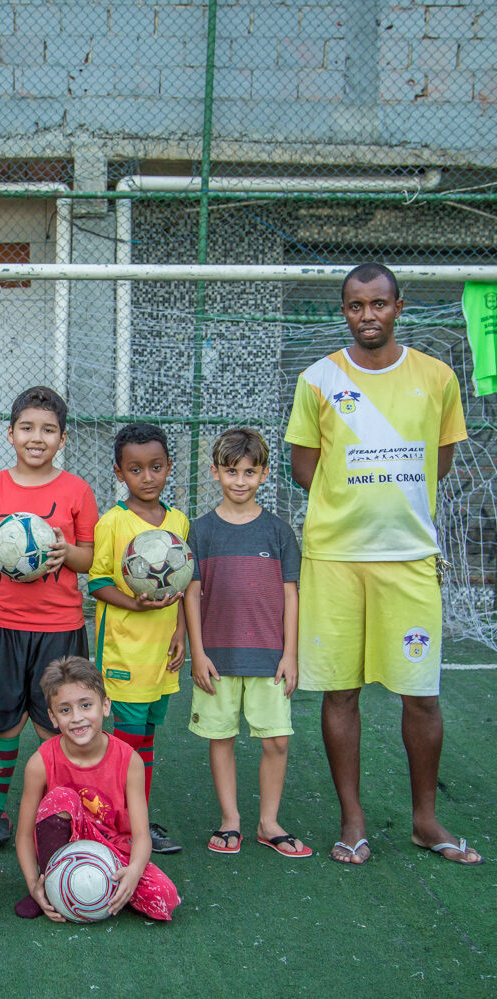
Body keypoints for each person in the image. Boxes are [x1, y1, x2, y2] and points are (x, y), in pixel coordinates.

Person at [285, 263, 480, 866]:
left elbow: (440, 463)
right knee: (340, 693)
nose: (367, 315)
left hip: (410, 559)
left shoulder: (437, 376)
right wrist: (352, 501)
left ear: (400, 306)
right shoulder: (318, 378)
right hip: (336, 559)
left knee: (421, 696)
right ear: (343, 311)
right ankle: (353, 819)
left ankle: (426, 819)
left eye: (378, 303)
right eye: (354, 305)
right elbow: (301, 466)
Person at [0, 386, 99, 850]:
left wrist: (67, 554)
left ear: (62, 439)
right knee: (2, 724)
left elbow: (88, 559)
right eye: (27, 428)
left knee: (55, 722)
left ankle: (60, 810)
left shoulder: (77, 490)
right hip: (2, 623)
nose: (36, 437)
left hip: (60, 627)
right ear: (10, 434)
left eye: (48, 430)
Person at [183, 428, 310, 858]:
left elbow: (291, 594)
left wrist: (290, 654)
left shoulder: (278, 532)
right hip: (217, 658)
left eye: (250, 472)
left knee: (276, 740)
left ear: (265, 474)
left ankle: (269, 822)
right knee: (222, 737)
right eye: (231, 472)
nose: (240, 481)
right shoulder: (200, 531)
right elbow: (191, 594)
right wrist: (198, 653)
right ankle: (230, 820)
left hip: (269, 657)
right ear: (215, 472)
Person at [13, 656, 180, 922]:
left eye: (86, 705)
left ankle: (106, 888)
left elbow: (141, 834)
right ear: (53, 718)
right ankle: (50, 887)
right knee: (61, 798)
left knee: (164, 898)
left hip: (111, 848)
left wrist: (134, 871)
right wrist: (33, 884)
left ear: (105, 706)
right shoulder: (41, 762)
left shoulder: (129, 761)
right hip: (63, 845)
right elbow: (23, 835)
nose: (77, 718)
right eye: (65, 710)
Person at [87, 423, 187, 855]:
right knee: (126, 742)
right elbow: (97, 583)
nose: (147, 477)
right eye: (136, 469)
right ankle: (121, 825)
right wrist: (134, 605)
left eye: (156, 467)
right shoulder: (112, 522)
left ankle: (136, 816)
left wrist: (180, 630)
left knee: (148, 738)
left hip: (160, 654)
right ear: (119, 473)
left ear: (169, 468)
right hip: (123, 651)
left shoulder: (179, 521)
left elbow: (183, 584)